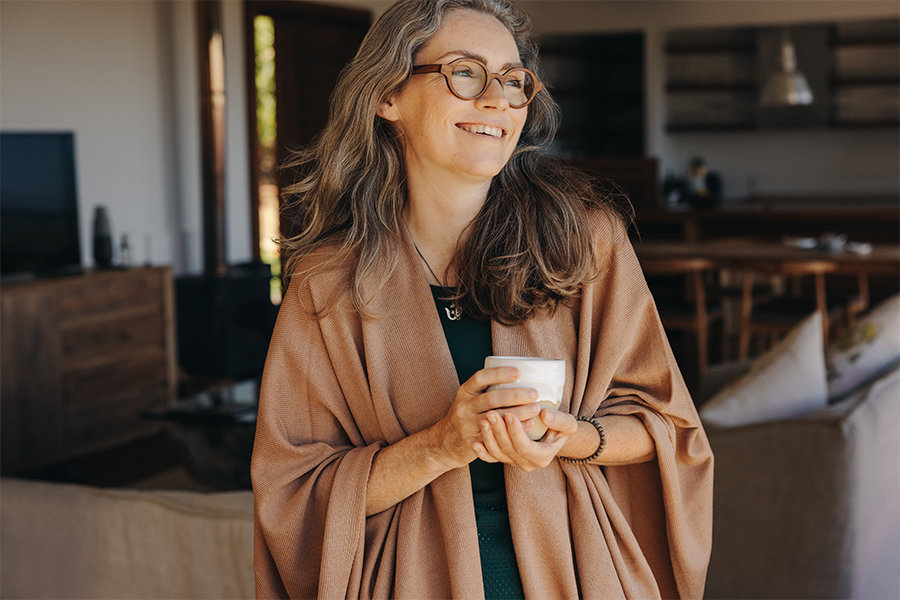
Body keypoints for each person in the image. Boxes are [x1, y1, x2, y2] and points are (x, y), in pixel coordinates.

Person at [251, 0, 714, 598]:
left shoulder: (585, 242)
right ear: (387, 97)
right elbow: (294, 494)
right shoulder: (328, 283)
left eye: (513, 80)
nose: (497, 100)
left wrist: (568, 436)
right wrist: (441, 445)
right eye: (465, 72)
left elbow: (668, 430)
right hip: (409, 580)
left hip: (577, 572)